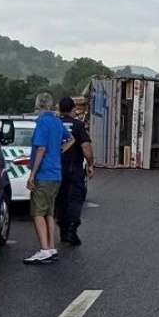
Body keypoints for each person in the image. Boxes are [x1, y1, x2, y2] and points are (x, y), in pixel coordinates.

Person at [25, 92, 72, 264]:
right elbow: (70, 139)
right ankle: (51, 247)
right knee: (49, 213)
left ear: (38, 106)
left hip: (44, 173)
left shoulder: (42, 123)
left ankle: (44, 249)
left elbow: (41, 149)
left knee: (38, 213)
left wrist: (32, 174)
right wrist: (59, 152)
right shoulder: (57, 121)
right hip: (56, 173)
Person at [56, 96, 94, 246]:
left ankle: (63, 231)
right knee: (75, 200)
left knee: (61, 201)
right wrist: (90, 164)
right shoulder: (78, 125)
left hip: (57, 169)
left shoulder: (55, 124)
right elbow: (86, 148)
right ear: (73, 109)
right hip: (74, 169)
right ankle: (72, 229)